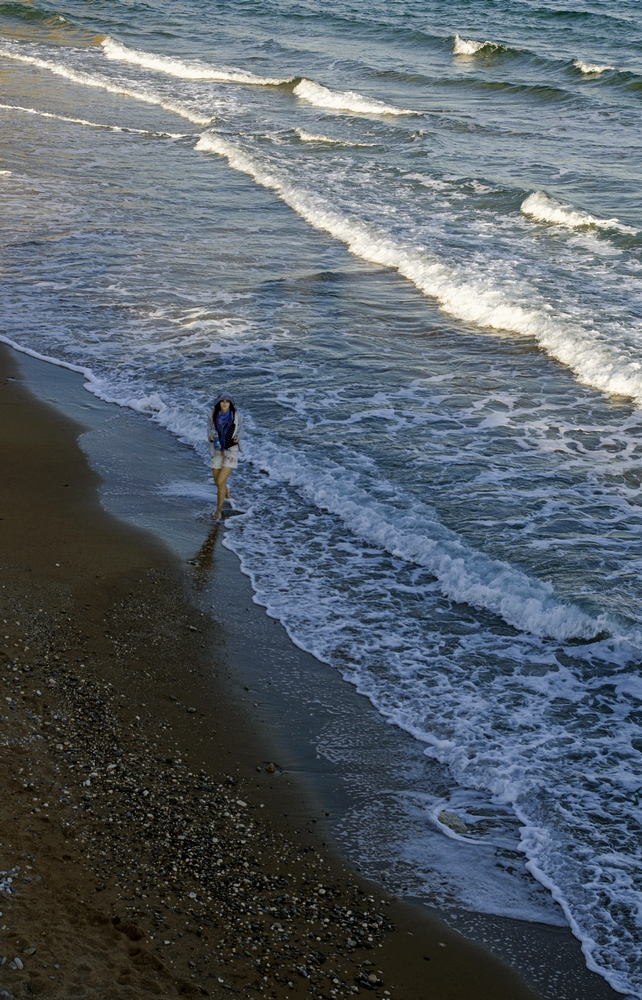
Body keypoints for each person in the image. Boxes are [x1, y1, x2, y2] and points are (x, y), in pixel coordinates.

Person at [208, 391, 241, 519]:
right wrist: (210, 437)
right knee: (218, 482)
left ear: (230, 404)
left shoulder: (237, 416)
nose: (225, 404)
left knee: (221, 481)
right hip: (217, 450)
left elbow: (240, 430)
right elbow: (209, 430)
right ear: (219, 403)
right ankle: (226, 490)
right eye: (222, 401)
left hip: (231, 450)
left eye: (227, 402)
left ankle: (219, 511)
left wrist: (238, 437)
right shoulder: (212, 415)